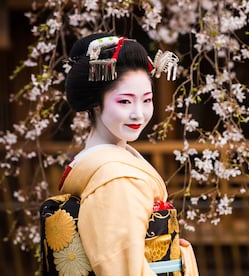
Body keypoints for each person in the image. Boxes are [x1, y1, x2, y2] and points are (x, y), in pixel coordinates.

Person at [44, 33, 198, 275]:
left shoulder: (100, 164)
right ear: (96, 103)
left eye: (147, 100)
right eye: (125, 102)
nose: (139, 114)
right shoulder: (118, 179)